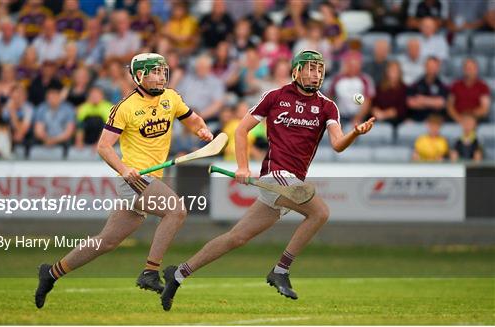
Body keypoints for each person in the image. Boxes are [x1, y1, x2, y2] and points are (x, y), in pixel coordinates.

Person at [159, 50, 375, 311]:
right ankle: (281, 270)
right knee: (320, 212)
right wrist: (242, 166)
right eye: (308, 68)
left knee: (236, 237)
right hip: (276, 175)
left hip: (290, 182)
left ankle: (178, 274)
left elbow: (338, 144)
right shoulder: (275, 97)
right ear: (295, 71)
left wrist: (355, 133)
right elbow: (241, 130)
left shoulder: (327, 106)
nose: (314, 74)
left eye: (318, 69)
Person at [34, 53, 214, 309]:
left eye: (163, 71)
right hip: (134, 178)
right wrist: (124, 168)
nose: (161, 76)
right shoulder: (125, 107)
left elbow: (193, 120)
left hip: (149, 179)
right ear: (139, 75)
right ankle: (150, 272)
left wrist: (202, 130)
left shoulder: (171, 98)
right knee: (176, 210)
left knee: (105, 242)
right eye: (155, 72)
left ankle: (51, 273)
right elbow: (104, 147)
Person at [447, 58, 491, 123]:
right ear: (463, 70)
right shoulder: (455, 85)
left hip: (476, 119)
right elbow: (450, 106)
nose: (469, 70)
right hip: (458, 118)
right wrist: (459, 119)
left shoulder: (483, 86)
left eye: (472, 68)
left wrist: (470, 118)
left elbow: (484, 108)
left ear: (476, 69)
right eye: (467, 68)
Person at [406, 56, 448, 122]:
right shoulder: (416, 83)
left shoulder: (442, 85)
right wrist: (433, 103)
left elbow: (441, 103)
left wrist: (422, 100)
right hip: (418, 120)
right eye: (429, 66)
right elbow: (411, 103)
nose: (431, 69)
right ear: (425, 66)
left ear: (438, 68)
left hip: (436, 121)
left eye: (434, 67)